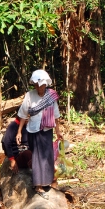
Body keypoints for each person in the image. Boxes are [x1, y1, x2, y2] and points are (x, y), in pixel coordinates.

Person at [16, 69, 63, 200]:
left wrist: (58, 131)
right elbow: (23, 115)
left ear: (45, 84)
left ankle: (46, 182)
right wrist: (19, 131)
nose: (38, 87)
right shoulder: (29, 95)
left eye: (40, 85)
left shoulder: (51, 96)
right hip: (33, 130)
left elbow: (56, 115)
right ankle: (38, 185)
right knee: (37, 156)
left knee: (47, 156)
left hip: (47, 130)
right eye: (36, 85)